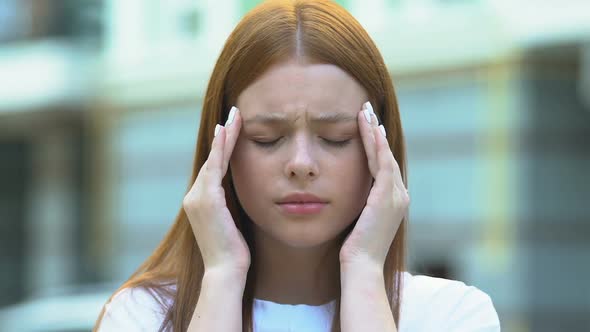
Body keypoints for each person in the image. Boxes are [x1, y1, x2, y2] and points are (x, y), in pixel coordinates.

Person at [94, 0, 501, 331]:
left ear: (382, 147)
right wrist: (221, 275)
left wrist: (362, 272)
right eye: (266, 138)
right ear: (221, 148)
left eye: (336, 137)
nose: (301, 164)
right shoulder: (142, 317)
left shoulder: (451, 315)